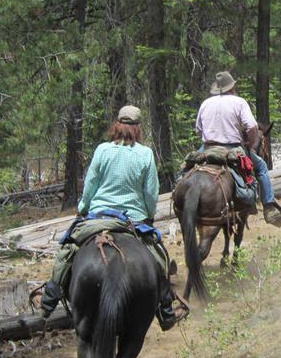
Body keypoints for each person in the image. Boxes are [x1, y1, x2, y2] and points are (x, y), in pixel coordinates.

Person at [40, 105, 188, 331]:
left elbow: (90, 184)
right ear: (138, 129)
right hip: (134, 220)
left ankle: (51, 295)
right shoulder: (145, 154)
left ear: (117, 125)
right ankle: (165, 309)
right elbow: (150, 193)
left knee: (67, 248)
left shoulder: (102, 150)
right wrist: (148, 215)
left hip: (97, 215)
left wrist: (83, 207)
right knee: (158, 257)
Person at [195, 71, 281, 226]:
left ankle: (177, 191)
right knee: (262, 168)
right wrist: (250, 144)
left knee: (187, 167)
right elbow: (252, 127)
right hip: (233, 148)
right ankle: (269, 206)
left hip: (207, 148)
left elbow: (198, 129)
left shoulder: (206, 103)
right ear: (232, 87)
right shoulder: (239, 102)